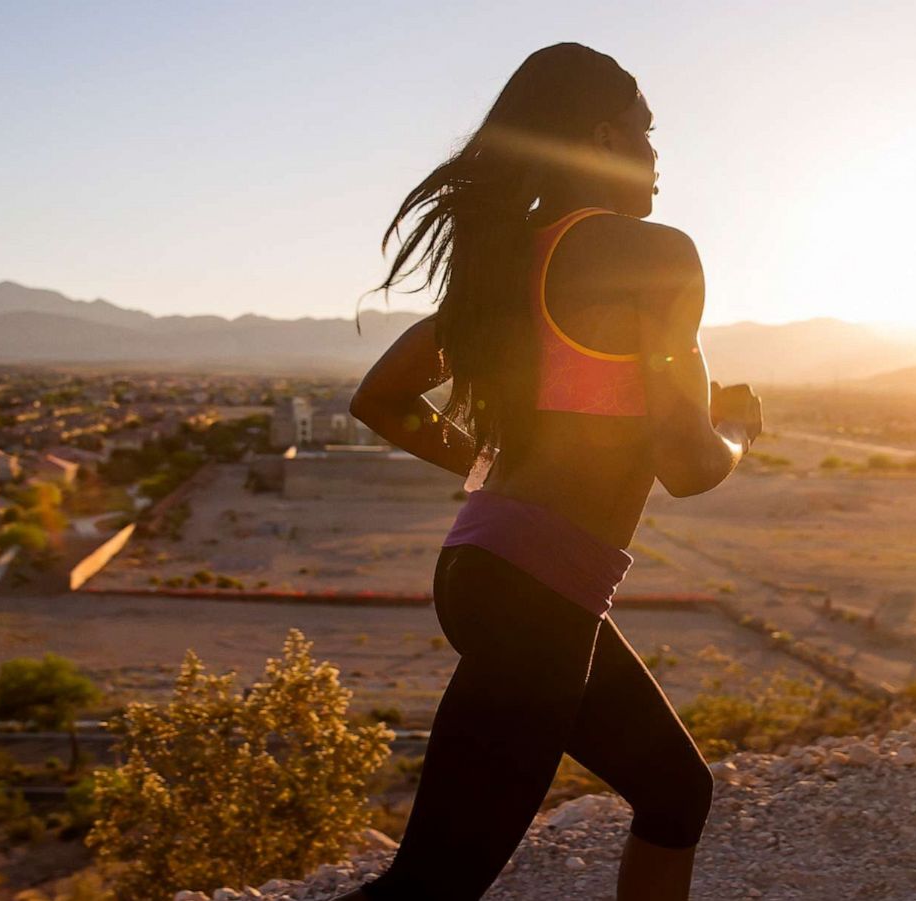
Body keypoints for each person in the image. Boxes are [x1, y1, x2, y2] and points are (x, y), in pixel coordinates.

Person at [340, 42, 763, 901]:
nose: (657, 154)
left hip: (491, 568)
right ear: (604, 136)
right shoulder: (653, 254)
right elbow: (687, 464)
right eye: (647, 133)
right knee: (429, 887)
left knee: (677, 790)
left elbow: (380, 398)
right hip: (537, 594)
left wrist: (490, 466)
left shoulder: (507, 267)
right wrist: (737, 431)